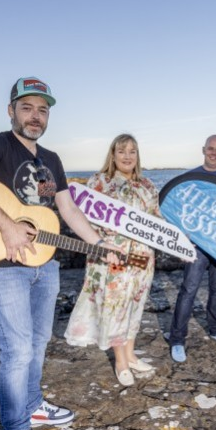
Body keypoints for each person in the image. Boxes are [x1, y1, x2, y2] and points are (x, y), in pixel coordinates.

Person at [0, 77, 118, 430]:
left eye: (42, 110)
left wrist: (99, 244)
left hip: (46, 263)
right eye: (27, 108)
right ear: (11, 111)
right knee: (18, 350)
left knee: (39, 342)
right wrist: (6, 224)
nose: (35, 116)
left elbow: (68, 211)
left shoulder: (52, 160)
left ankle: (34, 404)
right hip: (5, 269)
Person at [64, 134, 159, 387]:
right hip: (111, 258)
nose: (128, 156)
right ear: (113, 154)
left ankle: (131, 354)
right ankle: (121, 362)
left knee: (135, 307)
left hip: (142, 258)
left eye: (133, 151)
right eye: (122, 151)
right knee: (115, 309)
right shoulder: (99, 183)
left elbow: (158, 220)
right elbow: (82, 219)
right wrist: (103, 243)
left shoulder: (147, 186)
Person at [166, 135, 216, 362]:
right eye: (210, 149)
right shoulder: (190, 177)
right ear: (203, 150)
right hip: (197, 246)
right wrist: (183, 239)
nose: (213, 153)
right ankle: (177, 339)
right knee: (189, 289)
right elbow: (175, 210)